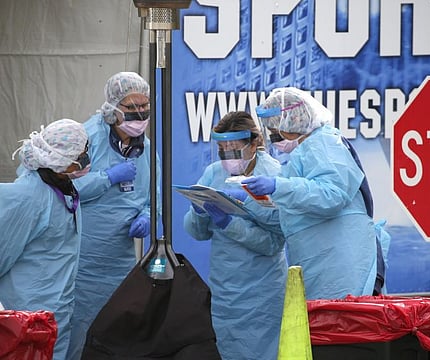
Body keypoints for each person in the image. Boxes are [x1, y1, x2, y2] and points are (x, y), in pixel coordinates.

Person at [244, 86, 381, 300]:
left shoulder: (324, 143)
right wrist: (246, 202)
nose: (273, 136)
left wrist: (277, 186)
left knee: (346, 325)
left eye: (275, 129)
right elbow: (289, 215)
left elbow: (332, 195)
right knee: (326, 328)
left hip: (341, 263)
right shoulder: (302, 152)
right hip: (320, 262)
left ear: (293, 120)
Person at [67, 71, 161, 359]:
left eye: (144, 106)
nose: (140, 114)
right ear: (112, 107)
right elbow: (65, 188)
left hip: (120, 261)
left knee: (117, 332)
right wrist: (107, 177)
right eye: (132, 108)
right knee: (78, 334)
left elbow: (153, 195)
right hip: (83, 259)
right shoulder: (87, 139)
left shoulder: (145, 149)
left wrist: (147, 215)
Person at [183, 111, 287, 360]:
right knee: (228, 349)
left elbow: (275, 241)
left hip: (264, 290)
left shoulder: (274, 175)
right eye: (222, 148)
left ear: (253, 144)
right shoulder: (213, 173)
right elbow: (197, 233)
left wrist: (230, 224)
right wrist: (199, 211)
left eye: (234, 147)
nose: (227, 154)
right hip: (226, 288)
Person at [0, 119, 89, 360]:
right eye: (80, 155)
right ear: (61, 160)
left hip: (56, 312)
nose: (85, 160)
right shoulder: (27, 197)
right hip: (28, 318)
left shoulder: (62, 188)